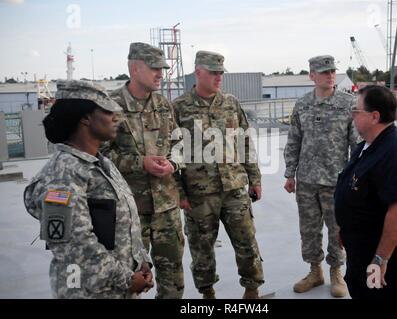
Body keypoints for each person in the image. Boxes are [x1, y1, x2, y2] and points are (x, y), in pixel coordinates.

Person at [23, 80, 153, 298]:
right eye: (107, 110)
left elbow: (126, 224)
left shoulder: (102, 164)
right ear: (85, 117)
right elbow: (75, 247)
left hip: (119, 289)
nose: (115, 117)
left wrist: (142, 264)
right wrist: (128, 279)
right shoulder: (63, 174)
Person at [172, 50, 264, 299]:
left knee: (246, 242)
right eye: (213, 72)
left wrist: (254, 178)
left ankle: (252, 290)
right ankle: (208, 294)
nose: (218, 77)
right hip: (199, 194)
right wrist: (179, 192)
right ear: (198, 72)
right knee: (202, 249)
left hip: (234, 187)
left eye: (221, 72)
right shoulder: (178, 108)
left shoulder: (231, 103)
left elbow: (245, 142)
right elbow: (172, 153)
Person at [100, 42, 184, 299]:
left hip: (167, 209)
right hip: (130, 213)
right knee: (130, 281)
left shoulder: (163, 104)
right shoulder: (109, 106)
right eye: (155, 68)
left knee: (173, 283)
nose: (161, 73)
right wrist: (140, 163)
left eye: (162, 68)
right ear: (135, 68)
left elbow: (179, 142)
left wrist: (174, 163)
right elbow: (99, 156)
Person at [334, 85, 397, 299]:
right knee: (365, 292)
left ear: (374, 116)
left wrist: (380, 259)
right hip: (365, 242)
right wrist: (346, 227)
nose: (352, 115)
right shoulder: (369, 145)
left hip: (389, 249)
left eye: (356, 111)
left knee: (384, 295)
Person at [283, 55, 358, 297]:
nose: (330, 75)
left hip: (336, 180)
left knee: (337, 229)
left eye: (333, 71)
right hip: (306, 180)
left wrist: (357, 177)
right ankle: (315, 272)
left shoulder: (348, 103)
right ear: (312, 75)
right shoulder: (303, 104)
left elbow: (357, 144)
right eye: (324, 71)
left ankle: (337, 272)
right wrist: (289, 174)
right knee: (309, 229)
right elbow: (294, 140)